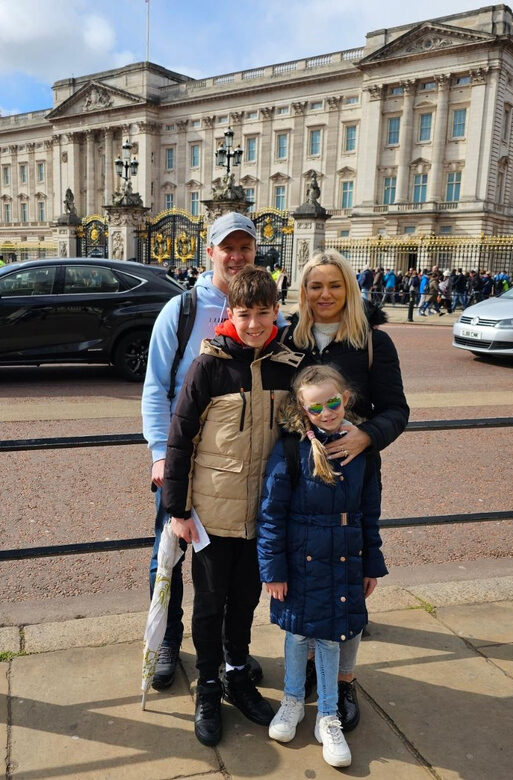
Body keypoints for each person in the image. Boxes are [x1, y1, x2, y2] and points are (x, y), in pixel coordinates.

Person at [161, 266, 303, 746]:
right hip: (211, 512)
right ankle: (207, 684)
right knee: (209, 604)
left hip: (262, 513)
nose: (255, 323)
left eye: (264, 313)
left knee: (245, 599)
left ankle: (237, 673)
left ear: (276, 312)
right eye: (245, 314)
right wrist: (177, 510)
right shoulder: (210, 366)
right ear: (231, 314)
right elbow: (180, 439)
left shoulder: (290, 363)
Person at [142, 212, 275, 691]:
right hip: (182, 458)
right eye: (228, 248)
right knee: (171, 557)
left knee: (230, 567)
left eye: (245, 248)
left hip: (236, 469)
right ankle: (166, 645)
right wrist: (160, 454)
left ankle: (222, 652)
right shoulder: (180, 311)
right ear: (211, 252)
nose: (237, 256)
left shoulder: (262, 305)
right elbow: (156, 388)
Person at [280, 248, 408, 733]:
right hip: (300, 478)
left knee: (346, 585)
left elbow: (397, 410)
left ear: (348, 289)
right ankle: (310, 671)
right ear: (305, 291)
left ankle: (346, 679)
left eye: (335, 285)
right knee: (303, 577)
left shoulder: (373, 342)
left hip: (351, 477)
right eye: (316, 286)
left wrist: (366, 435)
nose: (325, 294)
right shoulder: (288, 339)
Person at [257, 364, 387, 768]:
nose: (327, 412)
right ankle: (293, 700)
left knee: (333, 636)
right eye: (317, 407)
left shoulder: (363, 446)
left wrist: (372, 562)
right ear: (302, 407)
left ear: (345, 398)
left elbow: (370, 509)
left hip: (345, 555)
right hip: (300, 556)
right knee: (297, 635)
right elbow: (271, 513)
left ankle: (327, 714)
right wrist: (273, 569)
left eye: (333, 403)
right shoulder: (291, 447)